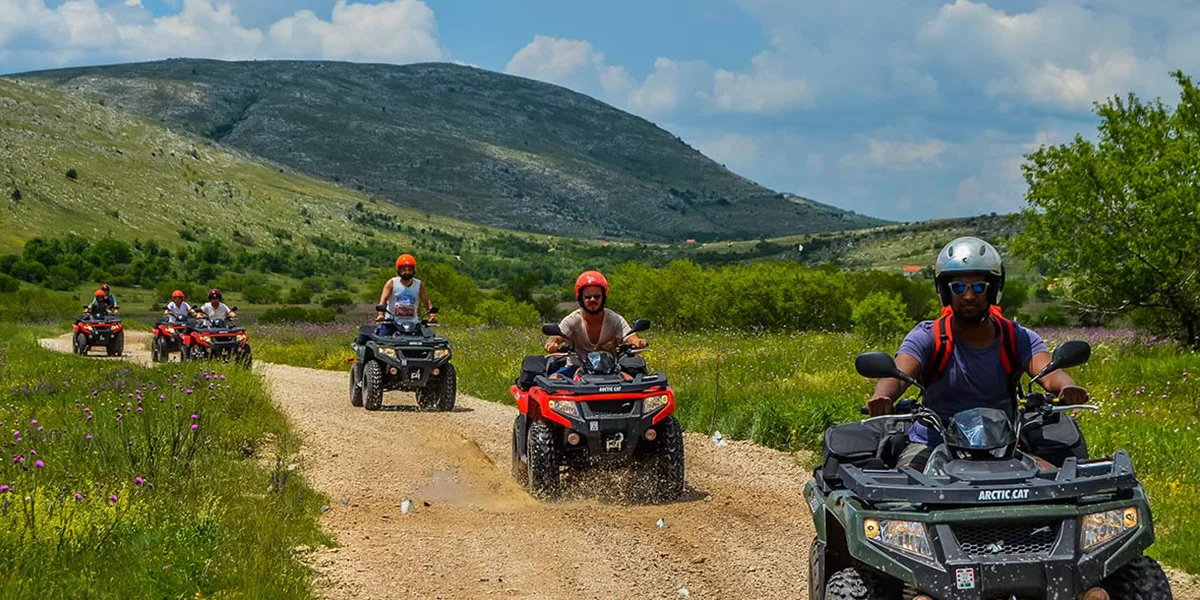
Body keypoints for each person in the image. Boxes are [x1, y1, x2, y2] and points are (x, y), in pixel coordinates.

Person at [865, 237, 1089, 470]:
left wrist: (1067, 387)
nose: (969, 296)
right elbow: (898, 372)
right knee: (905, 491)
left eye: (979, 287)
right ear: (945, 291)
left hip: (1002, 446)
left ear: (993, 291)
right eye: (958, 287)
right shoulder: (928, 336)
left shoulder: (1016, 337)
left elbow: (1049, 371)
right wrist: (883, 397)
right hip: (933, 442)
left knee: (1055, 484)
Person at [544, 270, 647, 379]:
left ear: (603, 297)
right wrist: (552, 344)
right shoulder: (572, 320)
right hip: (576, 367)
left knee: (631, 381)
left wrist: (637, 342)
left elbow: (630, 336)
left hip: (609, 369)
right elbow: (555, 337)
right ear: (581, 298)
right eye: (588, 296)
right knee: (553, 379)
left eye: (597, 296)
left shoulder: (614, 318)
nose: (592, 300)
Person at [376, 254, 435, 336]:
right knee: (382, 341)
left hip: (413, 323)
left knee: (427, 340)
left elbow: (426, 301)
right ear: (399, 270)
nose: (407, 272)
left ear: (413, 271)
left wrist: (432, 316)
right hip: (393, 322)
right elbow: (383, 300)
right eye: (404, 269)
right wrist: (381, 315)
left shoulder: (419, 284)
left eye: (409, 270)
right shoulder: (392, 283)